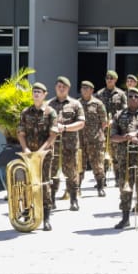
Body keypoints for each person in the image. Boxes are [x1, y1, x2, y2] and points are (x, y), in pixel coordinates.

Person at [110, 88, 138, 230]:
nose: (133, 98)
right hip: (125, 159)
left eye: (136, 96)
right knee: (125, 188)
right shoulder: (119, 115)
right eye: (130, 96)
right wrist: (125, 137)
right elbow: (113, 136)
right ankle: (125, 218)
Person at [16, 81, 59, 231]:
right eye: (34, 91)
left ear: (45, 94)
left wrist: (40, 151)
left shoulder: (50, 112)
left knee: (44, 183)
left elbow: (53, 134)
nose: (36, 93)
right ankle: (28, 211)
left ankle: (46, 217)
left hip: (44, 154)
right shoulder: (25, 112)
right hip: (29, 154)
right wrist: (26, 149)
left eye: (39, 91)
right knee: (27, 182)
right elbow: (21, 133)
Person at [46, 76, 85, 211]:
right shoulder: (48, 105)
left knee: (72, 173)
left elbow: (81, 123)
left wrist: (66, 128)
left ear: (68, 88)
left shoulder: (75, 104)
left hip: (70, 145)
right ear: (55, 88)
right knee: (52, 172)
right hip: (53, 145)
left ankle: (73, 199)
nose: (61, 89)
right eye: (59, 86)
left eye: (64, 87)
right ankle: (51, 199)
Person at [76, 81, 109, 198]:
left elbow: (104, 122)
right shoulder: (76, 104)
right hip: (79, 140)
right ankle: (77, 188)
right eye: (83, 88)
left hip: (95, 140)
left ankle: (100, 187)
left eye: (87, 88)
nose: (84, 90)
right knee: (79, 165)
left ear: (92, 90)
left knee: (98, 164)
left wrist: (98, 134)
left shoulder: (98, 104)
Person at [95, 70, 126, 183]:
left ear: (115, 80)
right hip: (102, 128)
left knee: (116, 153)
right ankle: (102, 180)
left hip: (115, 128)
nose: (109, 80)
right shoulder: (99, 93)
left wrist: (114, 120)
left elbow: (124, 110)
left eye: (111, 78)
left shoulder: (121, 94)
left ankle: (118, 178)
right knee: (102, 153)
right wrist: (102, 121)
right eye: (107, 78)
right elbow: (95, 109)